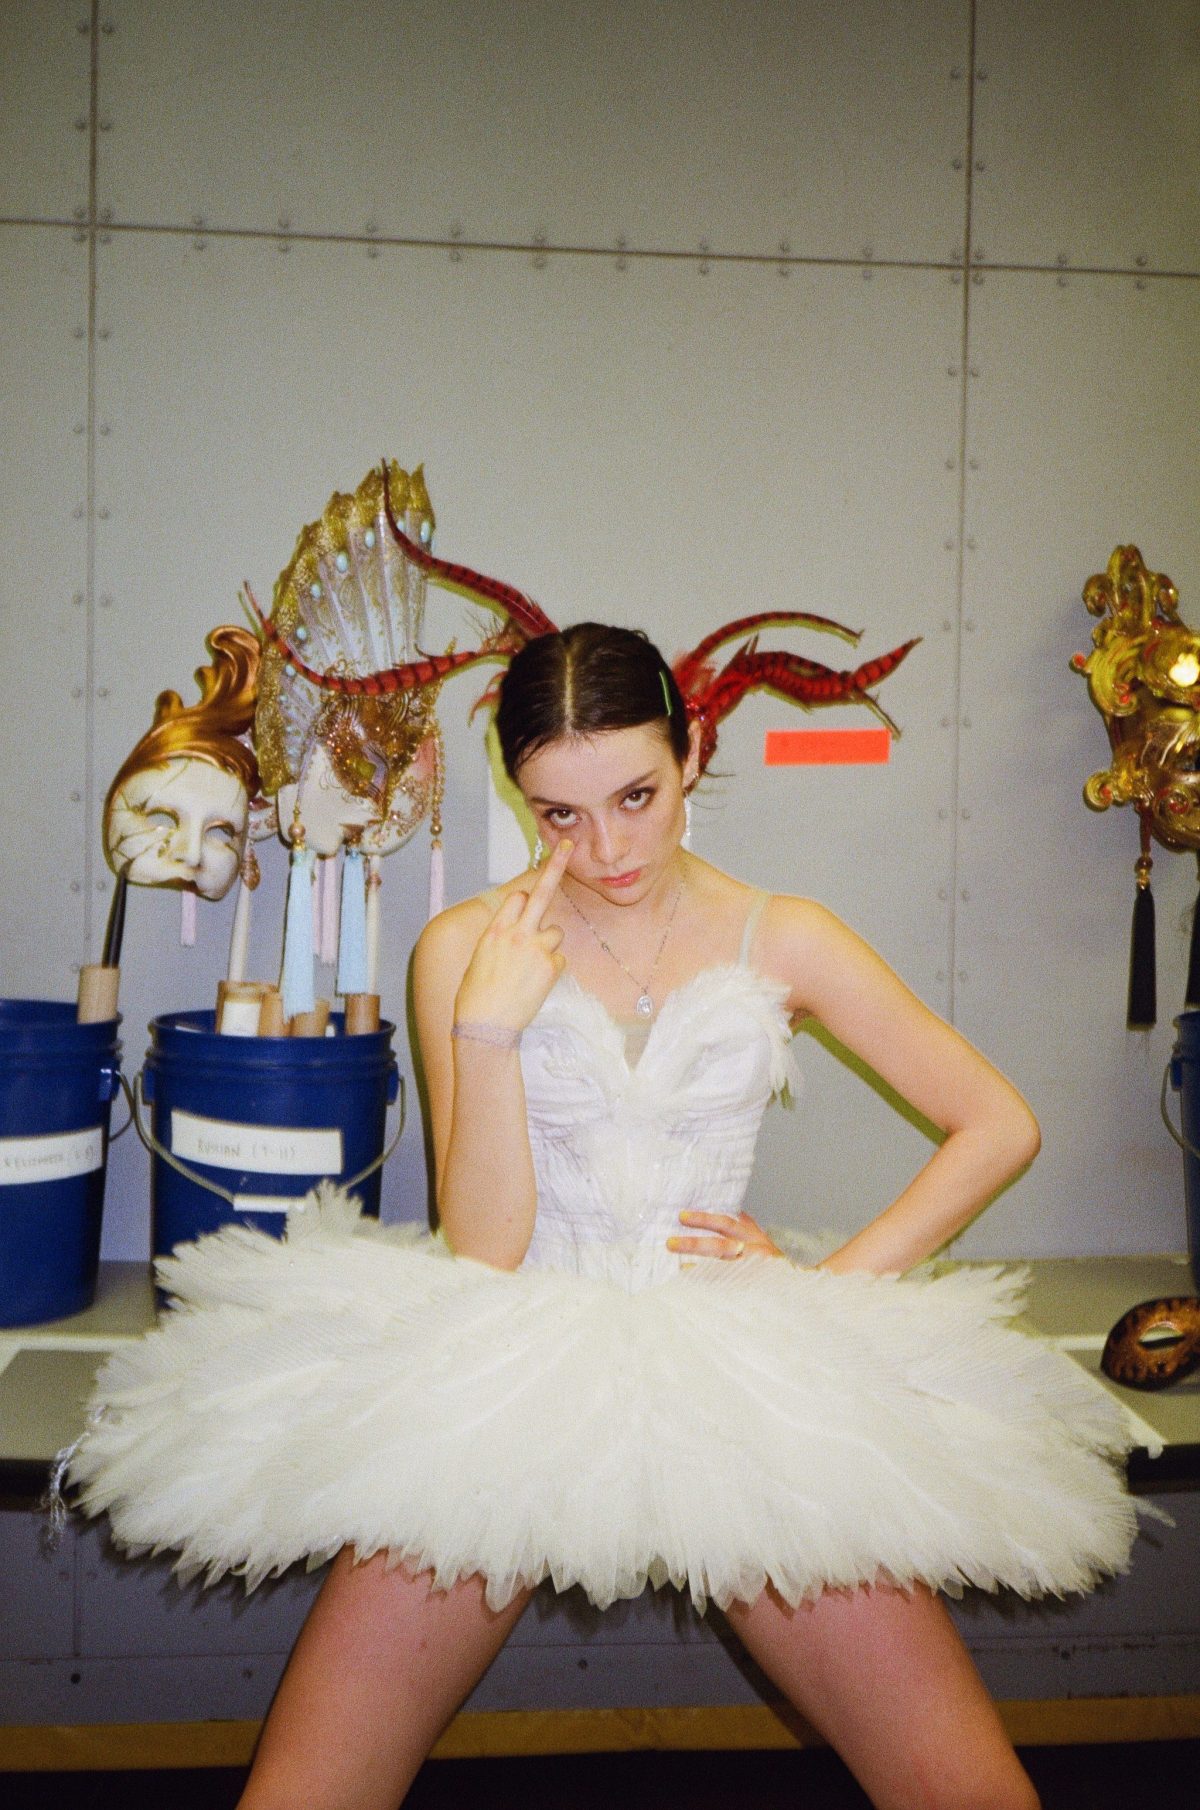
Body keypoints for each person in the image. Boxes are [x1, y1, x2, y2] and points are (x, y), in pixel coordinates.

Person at [71, 625, 1143, 1810]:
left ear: (691, 756)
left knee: (969, 1794)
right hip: (508, 1354)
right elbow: (485, 1248)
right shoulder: (465, 947)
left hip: (739, 1359)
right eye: (561, 814)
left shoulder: (783, 933)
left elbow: (998, 1124)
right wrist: (489, 1026)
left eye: (636, 794)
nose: (608, 846)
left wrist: (831, 1285)